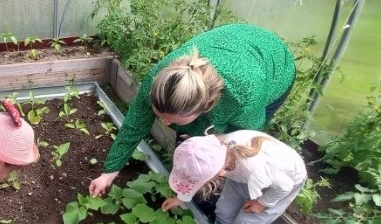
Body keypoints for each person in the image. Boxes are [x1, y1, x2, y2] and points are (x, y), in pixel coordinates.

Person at [88, 23, 295, 199]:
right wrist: (110, 171)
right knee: (192, 138)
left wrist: (215, 166)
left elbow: (245, 139)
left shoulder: (243, 96)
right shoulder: (161, 80)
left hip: (274, 65)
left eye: (172, 119)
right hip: (233, 42)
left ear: (204, 107)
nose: (166, 124)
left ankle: (209, 193)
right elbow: (135, 124)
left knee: (224, 151)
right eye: (160, 116)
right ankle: (186, 174)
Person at [161, 130, 306, 224]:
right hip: (241, 172)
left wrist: (262, 203)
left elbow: (284, 186)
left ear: (220, 173)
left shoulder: (255, 168)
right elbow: (197, 175)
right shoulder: (208, 151)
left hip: (282, 183)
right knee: (224, 211)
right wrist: (181, 198)